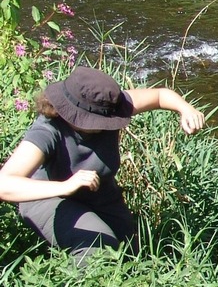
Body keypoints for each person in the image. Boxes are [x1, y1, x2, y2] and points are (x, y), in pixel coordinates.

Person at [0, 66, 205, 265]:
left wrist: (186, 109)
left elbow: (160, 95)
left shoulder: (110, 107)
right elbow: (4, 184)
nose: (106, 125)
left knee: (132, 257)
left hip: (97, 196)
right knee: (99, 250)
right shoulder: (47, 131)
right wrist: (65, 186)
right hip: (47, 198)